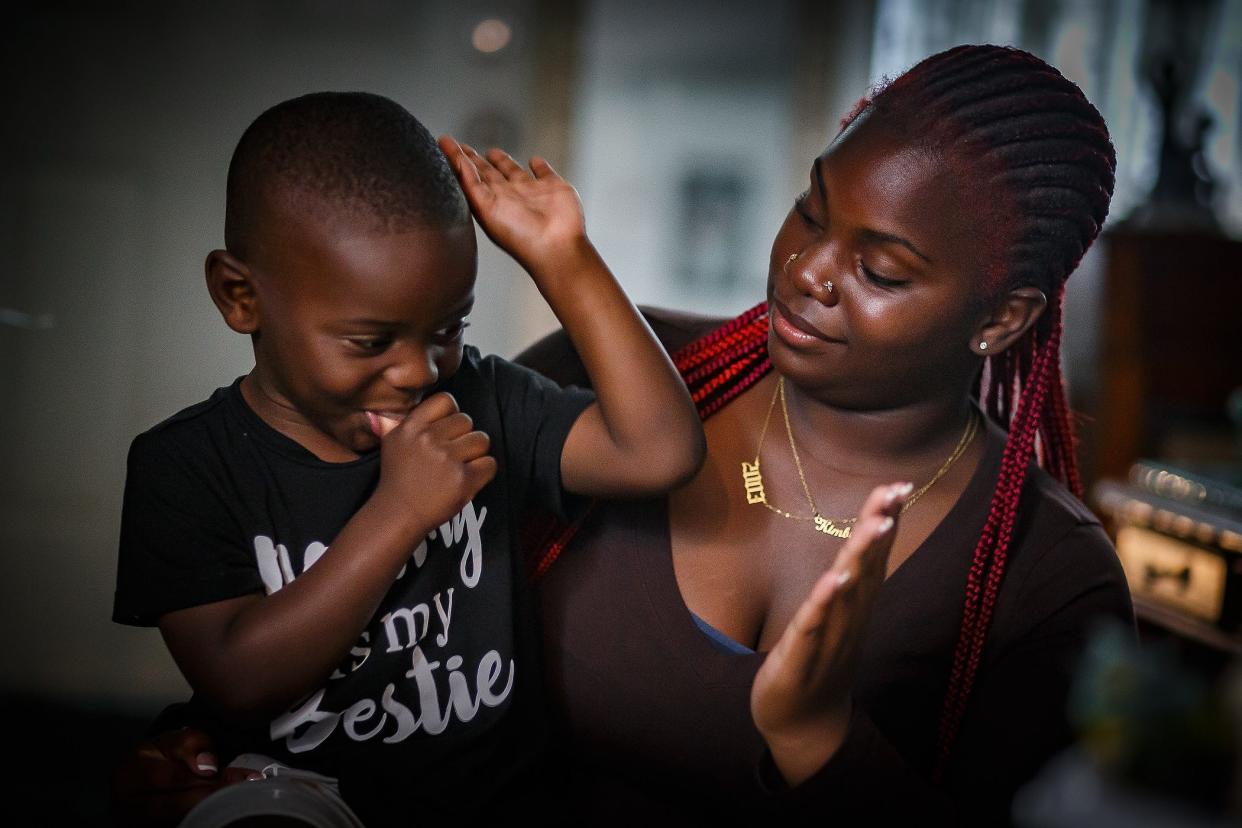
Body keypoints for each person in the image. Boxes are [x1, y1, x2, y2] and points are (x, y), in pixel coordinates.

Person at [113, 45, 1133, 826]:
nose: (808, 272)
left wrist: (822, 742)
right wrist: (208, 746)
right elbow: (330, 619)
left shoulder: (1046, 578)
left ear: (1003, 319)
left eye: (883, 268)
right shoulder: (601, 382)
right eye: (811, 213)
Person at [110, 91, 704, 826]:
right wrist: (399, 513)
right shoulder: (186, 467)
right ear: (240, 296)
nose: (420, 370)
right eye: (369, 341)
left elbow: (660, 452)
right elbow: (237, 676)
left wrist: (565, 260)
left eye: (448, 326)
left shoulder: (479, 400)